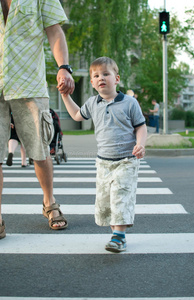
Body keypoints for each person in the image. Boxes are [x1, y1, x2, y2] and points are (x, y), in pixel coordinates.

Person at [0, 0, 75, 239]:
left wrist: (63, 67)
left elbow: (54, 31)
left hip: (29, 82)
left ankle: (49, 202)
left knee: (40, 151)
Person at [59, 57, 147, 253]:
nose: (101, 78)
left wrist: (140, 144)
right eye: (96, 75)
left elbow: (140, 127)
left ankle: (119, 236)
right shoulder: (92, 103)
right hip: (103, 162)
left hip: (126, 160)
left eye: (106, 74)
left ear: (116, 78)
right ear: (92, 82)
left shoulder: (130, 103)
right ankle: (116, 233)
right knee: (106, 201)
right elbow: (76, 115)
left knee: (120, 196)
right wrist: (65, 96)